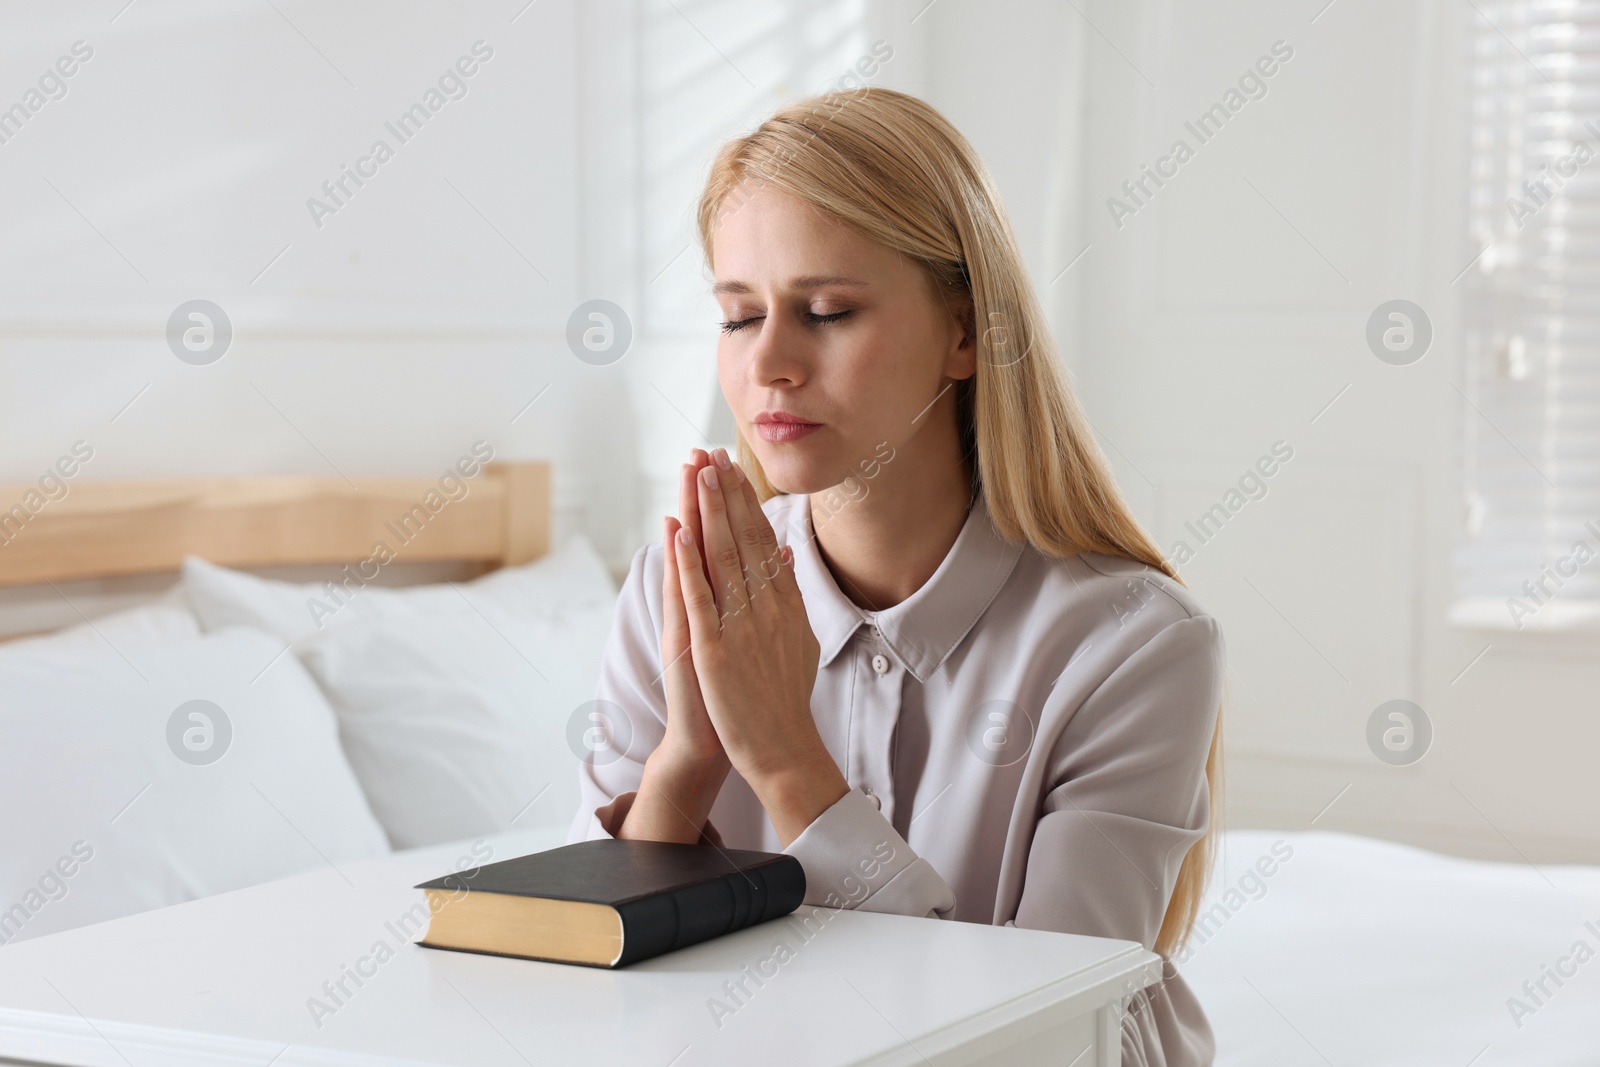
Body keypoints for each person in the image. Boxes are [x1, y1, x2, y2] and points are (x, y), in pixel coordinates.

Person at [569, 86, 1225, 1066]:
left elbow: (1041, 1039)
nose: (770, 364)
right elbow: (583, 990)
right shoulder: (675, 589)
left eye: (826, 310)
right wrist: (690, 760)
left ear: (967, 335)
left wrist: (787, 761)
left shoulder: (1136, 640)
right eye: (740, 316)